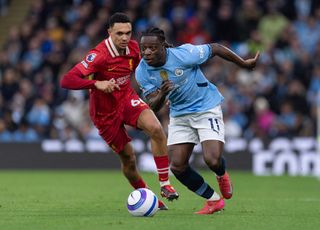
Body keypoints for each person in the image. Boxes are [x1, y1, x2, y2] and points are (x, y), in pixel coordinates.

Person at [60, 13, 179, 210]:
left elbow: (153, 61)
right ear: (109, 33)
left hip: (126, 99)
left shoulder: (133, 47)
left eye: (128, 33)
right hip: (104, 114)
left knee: (156, 129)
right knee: (129, 159)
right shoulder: (98, 56)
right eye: (120, 33)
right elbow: (67, 80)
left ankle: (165, 184)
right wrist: (96, 83)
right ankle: (149, 196)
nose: (125, 37)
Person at [135, 27, 259, 214]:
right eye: (143, 48)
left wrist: (243, 64)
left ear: (163, 46)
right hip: (179, 114)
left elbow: (215, 48)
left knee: (212, 159)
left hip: (206, 107)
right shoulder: (142, 71)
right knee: (177, 166)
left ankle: (221, 173)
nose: (147, 52)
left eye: (152, 47)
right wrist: (162, 93)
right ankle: (213, 200)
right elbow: (152, 105)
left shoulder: (184, 54)